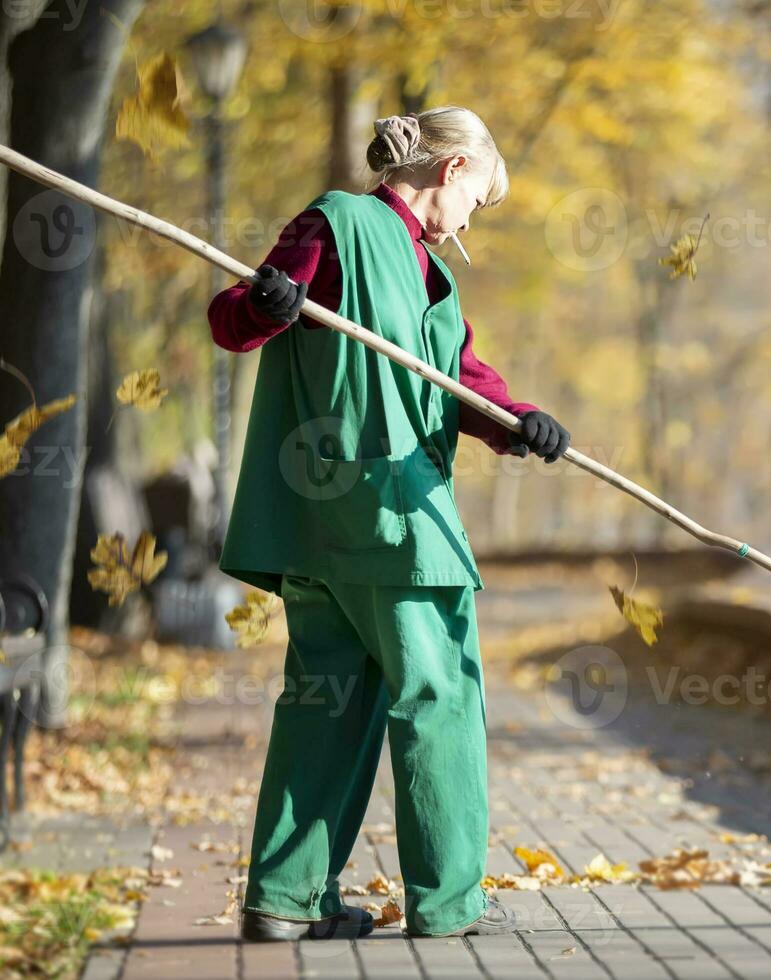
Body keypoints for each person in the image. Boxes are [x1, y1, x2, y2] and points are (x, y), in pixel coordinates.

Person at [206, 107, 570, 942]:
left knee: (324, 702)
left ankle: (285, 901)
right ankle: (447, 906)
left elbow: (465, 381)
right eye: (478, 200)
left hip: (316, 529)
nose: (473, 221)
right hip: (395, 522)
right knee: (439, 696)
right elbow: (234, 317)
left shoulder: (423, 273)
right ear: (451, 174)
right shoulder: (347, 223)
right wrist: (269, 303)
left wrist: (521, 421)